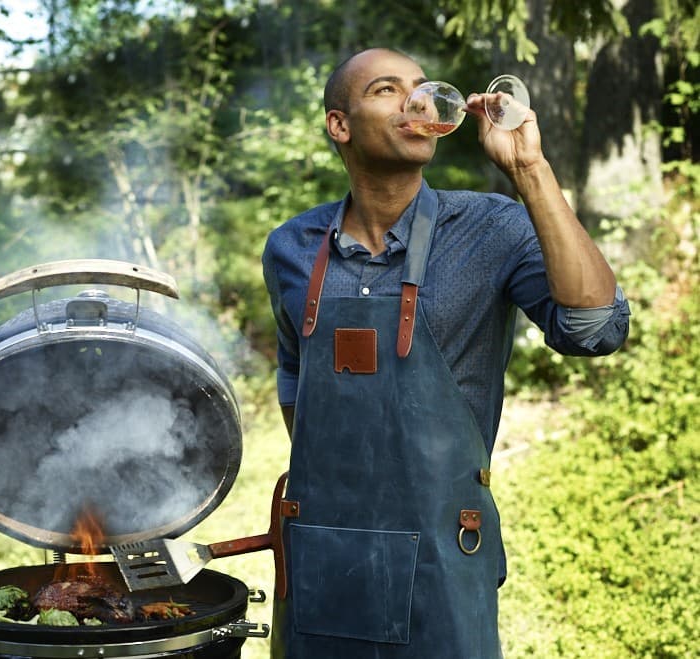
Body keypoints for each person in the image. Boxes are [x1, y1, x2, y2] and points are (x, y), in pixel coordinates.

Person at [261, 47, 630, 659]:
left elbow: (594, 329)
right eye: (386, 89)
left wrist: (529, 168)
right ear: (339, 125)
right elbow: (295, 374)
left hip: (445, 549)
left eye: (422, 89)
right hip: (326, 555)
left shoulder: (492, 228)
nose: (417, 101)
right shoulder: (292, 247)